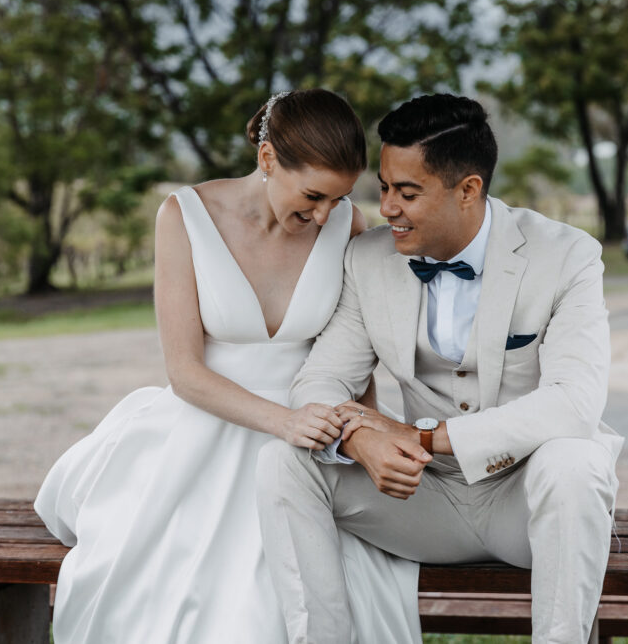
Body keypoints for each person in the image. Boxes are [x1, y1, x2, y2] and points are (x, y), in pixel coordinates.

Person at [35, 89, 421, 644]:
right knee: (185, 587)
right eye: (313, 196)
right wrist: (283, 422)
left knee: (339, 580)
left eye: (336, 199)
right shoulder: (184, 216)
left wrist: (366, 433)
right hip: (207, 422)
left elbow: (352, 362)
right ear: (268, 160)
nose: (322, 214)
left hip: (312, 432)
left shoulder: (347, 227)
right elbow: (184, 370)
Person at [255, 93, 624, 644]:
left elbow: (574, 403)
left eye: (407, 193)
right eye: (383, 188)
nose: (387, 209)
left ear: (468, 190)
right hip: (420, 500)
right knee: (284, 460)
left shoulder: (566, 255)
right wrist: (359, 440)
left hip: (527, 502)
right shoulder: (369, 259)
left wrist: (421, 438)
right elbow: (321, 380)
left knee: (575, 461)